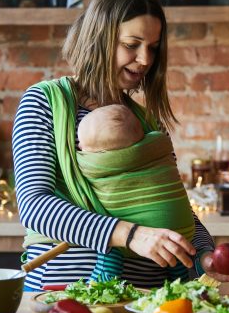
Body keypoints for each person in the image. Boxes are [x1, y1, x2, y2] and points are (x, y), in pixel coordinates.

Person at [13, 0, 229, 291]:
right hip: (63, 294)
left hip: (147, 301)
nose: (145, 59)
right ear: (99, 39)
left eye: (153, 48)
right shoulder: (44, 102)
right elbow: (35, 207)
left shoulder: (147, 121)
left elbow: (177, 210)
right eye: (132, 45)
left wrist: (204, 253)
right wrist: (131, 235)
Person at [76, 104, 195, 282]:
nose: (79, 147)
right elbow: (35, 205)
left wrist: (205, 251)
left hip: (128, 249)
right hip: (180, 231)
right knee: (178, 264)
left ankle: (103, 281)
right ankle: (182, 282)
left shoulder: (99, 163)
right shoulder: (157, 142)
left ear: (104, 154)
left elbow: (84, 168)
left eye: (83, 145)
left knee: (109, 248)